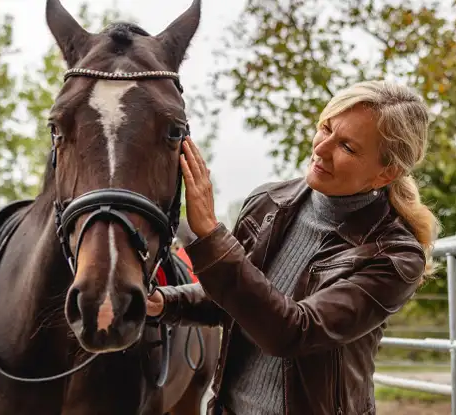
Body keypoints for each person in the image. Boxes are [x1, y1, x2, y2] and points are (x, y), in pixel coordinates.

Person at [147, 80, 439, 415]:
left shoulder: (394, 255)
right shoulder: (267, 202)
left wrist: (211, 236)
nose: (321, 149)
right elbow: (235, 303)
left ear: (385, 174)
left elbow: (292, 333)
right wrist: (163, 302)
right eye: (325, 128)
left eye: (347, 147)